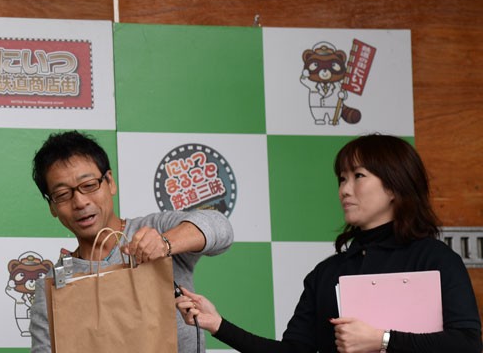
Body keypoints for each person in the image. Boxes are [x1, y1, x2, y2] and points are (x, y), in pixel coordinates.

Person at [175, 134, 482, 353]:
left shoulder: (435, 259)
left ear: (394, 186)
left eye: (358, 176)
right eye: (341, 179)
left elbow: (467, 343)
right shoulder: (327, 272)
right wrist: (218, 325)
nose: (344, 190)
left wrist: (383, 340)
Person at [29, 130, 234, 353]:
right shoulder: (53, 286)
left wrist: (165, 243)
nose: (80, 201)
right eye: (62, 194)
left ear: (110, 182)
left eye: (88, 185)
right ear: (52, 207)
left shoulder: (155, 230)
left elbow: (220, 228)